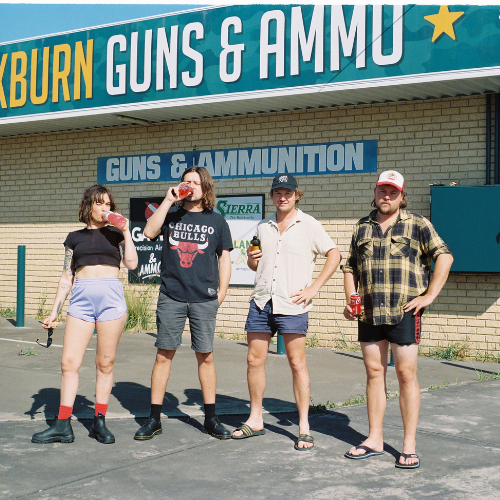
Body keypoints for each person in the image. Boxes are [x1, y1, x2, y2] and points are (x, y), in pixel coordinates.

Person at [343, 170, 453, 469]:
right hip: (368, 312)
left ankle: (408, 445)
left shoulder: (417, 224)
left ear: (402, 196)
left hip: (404, 311)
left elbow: (444, 255)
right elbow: (349, 266)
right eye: (382, 191)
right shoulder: (362, 227)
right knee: (374, 373)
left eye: (393, 192)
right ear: (375, 192)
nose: (387, 196)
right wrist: (351, 299)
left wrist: (429, 296)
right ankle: (374, 439)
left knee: (406, 375)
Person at [232, 174, 341, 450]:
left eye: (288, 193)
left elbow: (334, 254)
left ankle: (304, 426)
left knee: (297, 363)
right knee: (254, 360)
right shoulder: (263, 227)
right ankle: (255, 419)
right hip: (261, 302)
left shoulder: (310, 225)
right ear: (272, 196)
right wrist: (250, 260)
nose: (283, 197)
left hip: (292, 304)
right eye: (278, 193)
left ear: (297, 196)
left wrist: (314, 288)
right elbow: (257, 266)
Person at [32, 184, 138, 444]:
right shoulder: (74, 238)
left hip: (111, 300)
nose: (105, 209)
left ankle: (99, 422)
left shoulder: (116, 234)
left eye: (108, 204)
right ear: (88, 205)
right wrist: (54, 311)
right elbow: (67, 276)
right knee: (69, 363)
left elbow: (132, 264)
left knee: (105, 364)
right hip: (81, 300)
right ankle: (62, 425)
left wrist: (126, 231)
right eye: (100, 204)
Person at [134, 166, 233, 441]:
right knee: (164, 354)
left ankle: (211, 418)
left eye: (194, 182)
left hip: (204, 298)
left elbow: (224, 259)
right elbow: (149, 233)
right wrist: (168, 200)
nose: (188, 185)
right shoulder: (172, 213)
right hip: (171, 295)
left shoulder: (217, 221)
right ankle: (154, 418)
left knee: (206, 356)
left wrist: (221, 293)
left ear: (205, 189)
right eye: (185, 181)